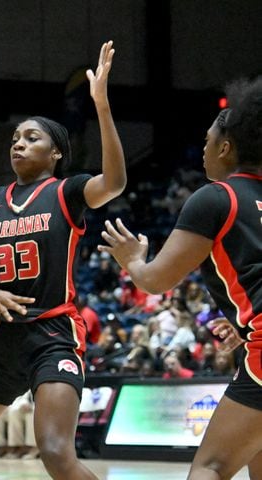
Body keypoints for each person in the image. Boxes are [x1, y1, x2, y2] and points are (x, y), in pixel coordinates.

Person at [0, 40, 126, 480]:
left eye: (32, 138)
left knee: (54, 453)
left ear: (56, 154)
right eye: (15, 139)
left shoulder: (66, 193)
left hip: (52, 334)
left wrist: (102, 106)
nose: (19, 145)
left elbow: (116, 182)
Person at [98, 76, 261, 480]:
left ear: (225, 147)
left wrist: (131, 258)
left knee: (209, 468)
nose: (203, 149)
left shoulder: (215, 197)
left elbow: (155, 281)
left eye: (208, 140)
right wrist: (245, 322)